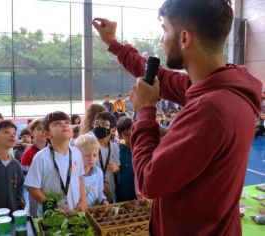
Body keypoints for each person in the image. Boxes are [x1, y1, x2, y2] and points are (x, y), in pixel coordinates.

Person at [92, 0, 262, 234]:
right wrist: (113, 43)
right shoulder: (224, 88)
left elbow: (149, 182)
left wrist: (145, 110)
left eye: (164, 29)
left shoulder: (210, 109)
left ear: (184, 38)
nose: (162, 40)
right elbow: (158, 75)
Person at [25, 111, 87, 215]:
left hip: (75, 210)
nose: (64, 124)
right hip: (52, 214)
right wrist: (54, 207)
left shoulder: (76, 153)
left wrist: (83, 200)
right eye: (57, 123)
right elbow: (33, 189)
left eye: (67, 122)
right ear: (47, 134)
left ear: (72, 131)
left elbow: (79, 178)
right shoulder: (41, 157)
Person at [21, 118, 46, 217]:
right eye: (39, 129)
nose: (43, 131)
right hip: (35, 194)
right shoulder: (28, 154)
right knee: (36, 217)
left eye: (45, 128)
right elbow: (25, 179)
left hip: (50, 190)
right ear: (32, 132)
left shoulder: (52, 150)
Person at [93, 111, 120, 203]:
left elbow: (117, 171)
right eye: (96, 124)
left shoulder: (115, 147)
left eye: (104, 125)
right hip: (93, 192)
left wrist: (116, 169)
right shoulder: (89, 145)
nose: (99, 127)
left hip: (111, 190)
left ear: (113, 130)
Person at [75, 134, 108, 207]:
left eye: (95, 155)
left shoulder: (99, 172)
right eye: (87, 155)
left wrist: (104, 201)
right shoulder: (74, 173)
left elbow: (99, 192)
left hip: (94, 211)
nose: (91, 158)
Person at [115, 117, 136, 202]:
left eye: (133, 132)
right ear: (120, 136)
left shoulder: (143, 148)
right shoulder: (117, 150)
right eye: (127, 134)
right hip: (123, 196)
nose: (131, 136)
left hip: (142, 194)